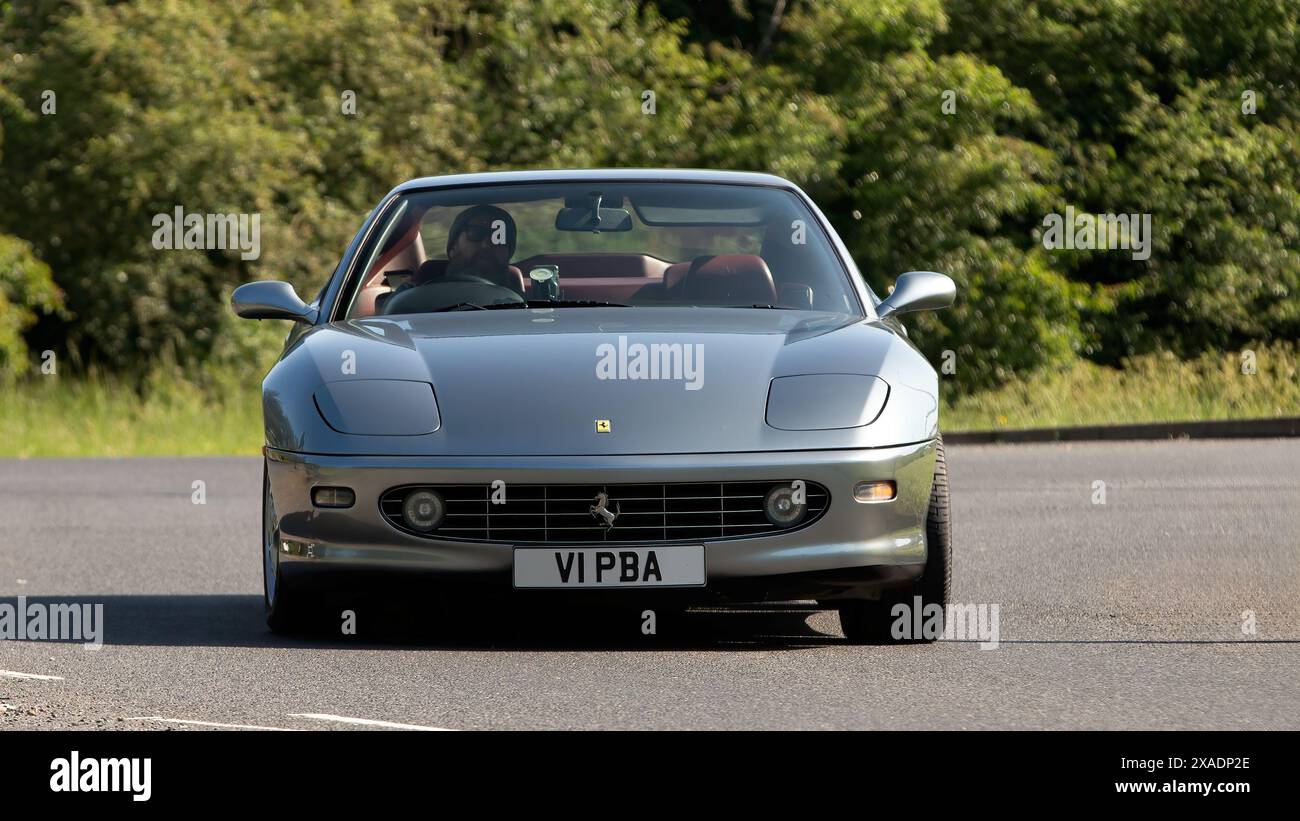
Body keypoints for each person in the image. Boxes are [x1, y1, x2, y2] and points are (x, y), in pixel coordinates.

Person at [442, 204, 518, 288]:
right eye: (476, 233)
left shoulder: (524, 299)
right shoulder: (429, 298)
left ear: (508, 253)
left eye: (499, 237)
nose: (487, 244)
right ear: (454, 246)